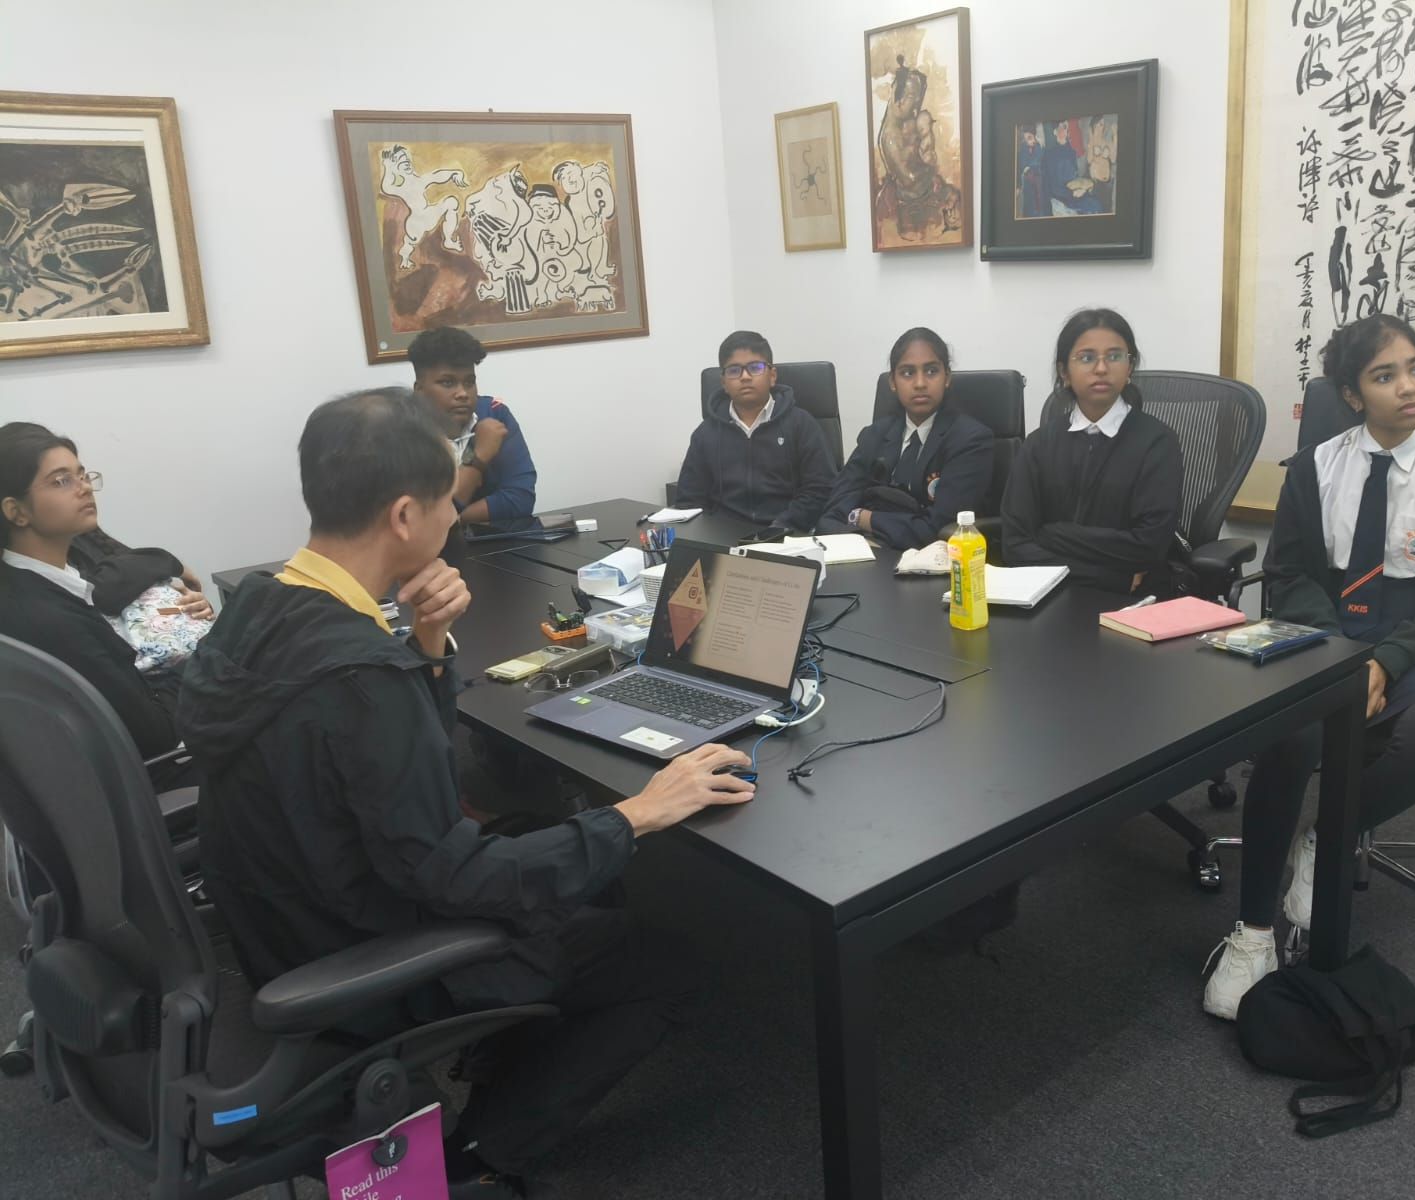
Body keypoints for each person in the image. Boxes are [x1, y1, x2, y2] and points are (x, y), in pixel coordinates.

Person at [176, 388, 755, 1195]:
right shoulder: (360, 677)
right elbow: (453, 874)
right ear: (404, 516)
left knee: (542, 838)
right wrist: (637, 813)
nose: (456, 517)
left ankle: (500, 1044)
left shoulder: (261, 604)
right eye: (449, 502)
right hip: (363, 952)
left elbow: (378, 766)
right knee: (668, 959)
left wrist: (427, 645)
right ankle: (479, 1155)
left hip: (280, 918)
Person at [1203, 315, 1415, 1021]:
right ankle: (1252, 934)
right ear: (1352, 395)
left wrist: (1388, 660)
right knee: (1287, 738)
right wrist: (1343, 653)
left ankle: (1329, 835)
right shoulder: (1314, 468)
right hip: (1332, 630)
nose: (1410, 387)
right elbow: (1288, 573)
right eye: (1385, 376)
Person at [0, 422, 208, 780]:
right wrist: (201, 654)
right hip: (157, 778)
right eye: (61, 481)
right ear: (16, 511)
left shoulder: (39, 581)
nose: (83, 488)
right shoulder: (50, 618)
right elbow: (156, 735)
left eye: (82, 475)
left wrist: (179, 621)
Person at [1001, 308, 1181, 592]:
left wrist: (1052, 534)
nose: (1101, 368)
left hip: (1133, 603)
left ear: (1129, 367)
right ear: (1064, 372)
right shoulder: (1038, 445)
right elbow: (1015, 546)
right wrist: (1108, 576)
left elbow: (1149, 547)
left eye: (1114, 356)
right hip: (1056, 596)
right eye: (1086, 358)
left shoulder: (1157, 443)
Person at [817, 327, 993, 550]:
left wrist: (864, 517)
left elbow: (937, 530)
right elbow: (832, 513)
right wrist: (863, 541)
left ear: (947, 378)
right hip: (866, 553)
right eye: (908, 373)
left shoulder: (970, 440)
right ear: (893, 382)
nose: (920, 383)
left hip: (934, 562)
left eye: (931, 371)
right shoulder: (874, 435)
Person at [674, 330, 834, 533]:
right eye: (734, 370)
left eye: (755, 368)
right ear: (723, 383)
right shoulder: (706, 433)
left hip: (788, 534)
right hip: (723, 537)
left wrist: (783, 526)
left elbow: (820, 490)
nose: (745, 377)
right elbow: (689, 500)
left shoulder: (801, 424)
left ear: (772, 376)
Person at [410, 326, 537, 526]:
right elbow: (420, 519)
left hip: (496, 541)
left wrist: (454, 520)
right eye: (447, 383)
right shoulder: (401, 431)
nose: (463, 393)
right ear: (419, 390)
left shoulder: (495, 415)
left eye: (469, 382)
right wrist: (478, 457)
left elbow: (520, 498)